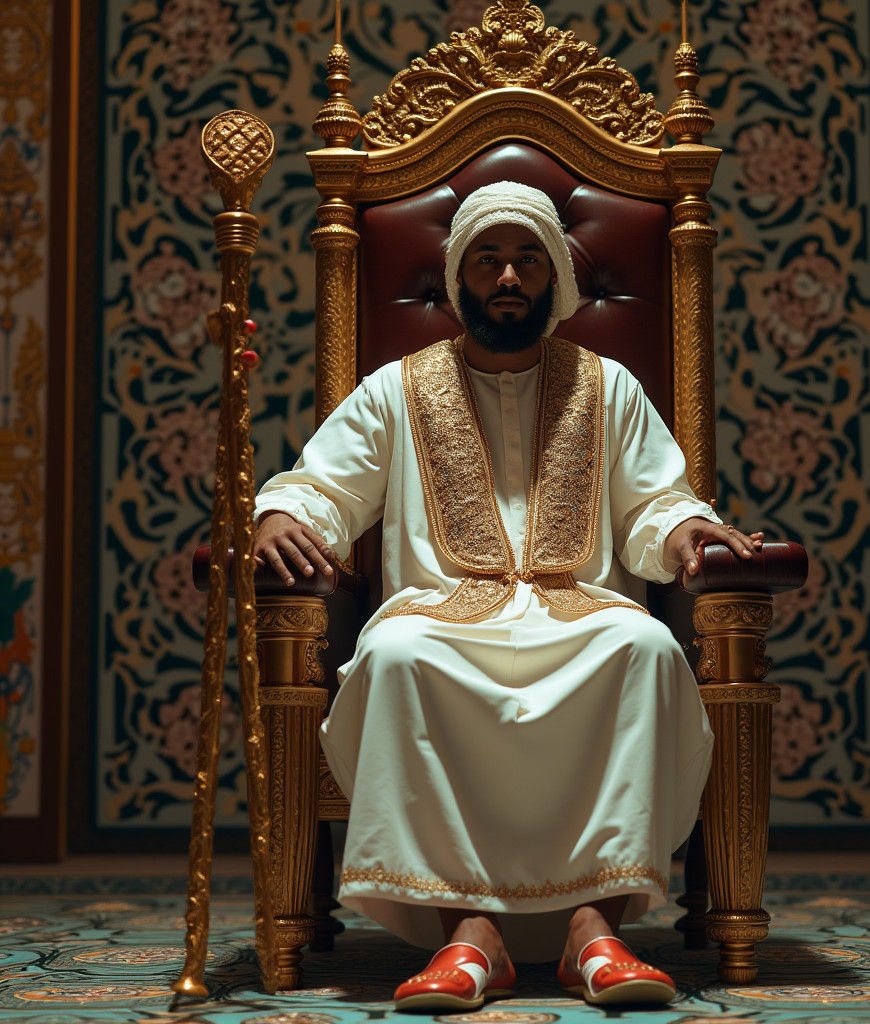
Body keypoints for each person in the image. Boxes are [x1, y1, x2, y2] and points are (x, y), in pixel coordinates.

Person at [253, 181, 763, 1010]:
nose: (509, 277)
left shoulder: (608, 386)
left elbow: (655, 501)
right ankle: (467, 936)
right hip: (441, 617)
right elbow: (323, 487)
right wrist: (281, 514)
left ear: (555, 275)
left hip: (580, 614)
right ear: (458, 279)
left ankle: (595, 931)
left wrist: (683, 534)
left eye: (528, 259)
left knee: (644, 646)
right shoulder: (396, 389)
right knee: (393, 652)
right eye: (488, 260)